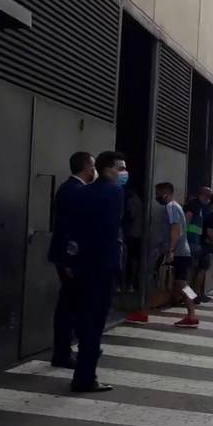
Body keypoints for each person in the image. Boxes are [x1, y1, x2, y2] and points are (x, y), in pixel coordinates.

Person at [65, 150, 127, 392]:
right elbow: (112, 230)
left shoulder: (83, 192)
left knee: (83, 319)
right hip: (103, 267)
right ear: (107, 168)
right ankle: (85, 377)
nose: (123, 173)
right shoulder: (114, 192)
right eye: (120, 168)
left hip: (82, 265)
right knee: (95, 323)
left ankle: (83, 369)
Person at [47, 151, 95, 369]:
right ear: (86, 167)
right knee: (68, 306)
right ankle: (62, 353)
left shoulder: (74, 189)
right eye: (93, 166)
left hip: (70, 256)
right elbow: (69, 229)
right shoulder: (73, 191)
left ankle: (64, 351)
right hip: (70, 258)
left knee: (70, 304)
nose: (94, 170)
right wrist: (68, 261)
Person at [155, 182, 198, 327]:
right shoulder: (177, 207)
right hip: (182, 251)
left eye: (158, 193)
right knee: (181, 284)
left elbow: (176, 229)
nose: (157, 196)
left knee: (181, 284)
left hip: (178, 252)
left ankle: (192, 313)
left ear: (165, 193)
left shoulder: (171, 207)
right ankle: (192, 311)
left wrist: (171, 251)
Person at [193, 192, 213, 303]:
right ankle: (196, 294)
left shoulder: (201, 210)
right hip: (205, 245)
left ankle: (195, 294)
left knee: (195, 270)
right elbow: (209, 232)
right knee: (202, 270)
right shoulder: (211, 214)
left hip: (196, 242)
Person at [185, 187, 211, 303]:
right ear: (204, 195)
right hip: (190, 242)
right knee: (189, 273)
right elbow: (187, 220)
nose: (209, 199)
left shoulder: (201, 207)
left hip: (195, 243)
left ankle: (190, 296)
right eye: (208, 196)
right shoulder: (193, 205)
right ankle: (189, 297)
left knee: (191, 271)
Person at [123, 185, 144, 293]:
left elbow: (130, 216)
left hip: (132, 234)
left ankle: (130, 283)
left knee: (131, 259)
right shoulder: (137, 200)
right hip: (136, 234)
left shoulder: (133, 200)